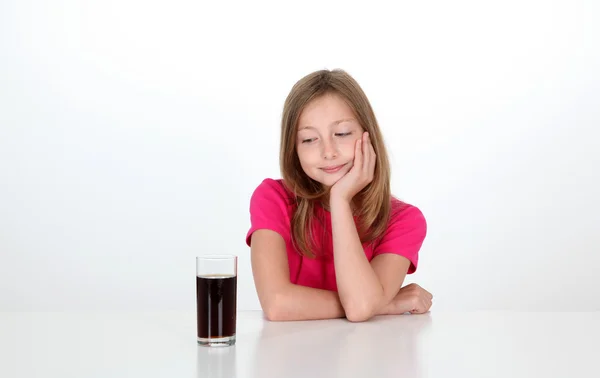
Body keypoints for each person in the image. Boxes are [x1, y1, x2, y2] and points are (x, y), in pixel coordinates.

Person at [245, 69, 433, 322]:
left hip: (365, 357)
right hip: (288, 356)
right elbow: (278, 304)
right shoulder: (273, 198)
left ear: (368, 136)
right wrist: (384, 303)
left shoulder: (404, 220)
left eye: (342, 133)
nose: (328, 152)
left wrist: (340, 199)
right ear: (294, 149)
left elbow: (361, 306)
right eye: (310, 139)